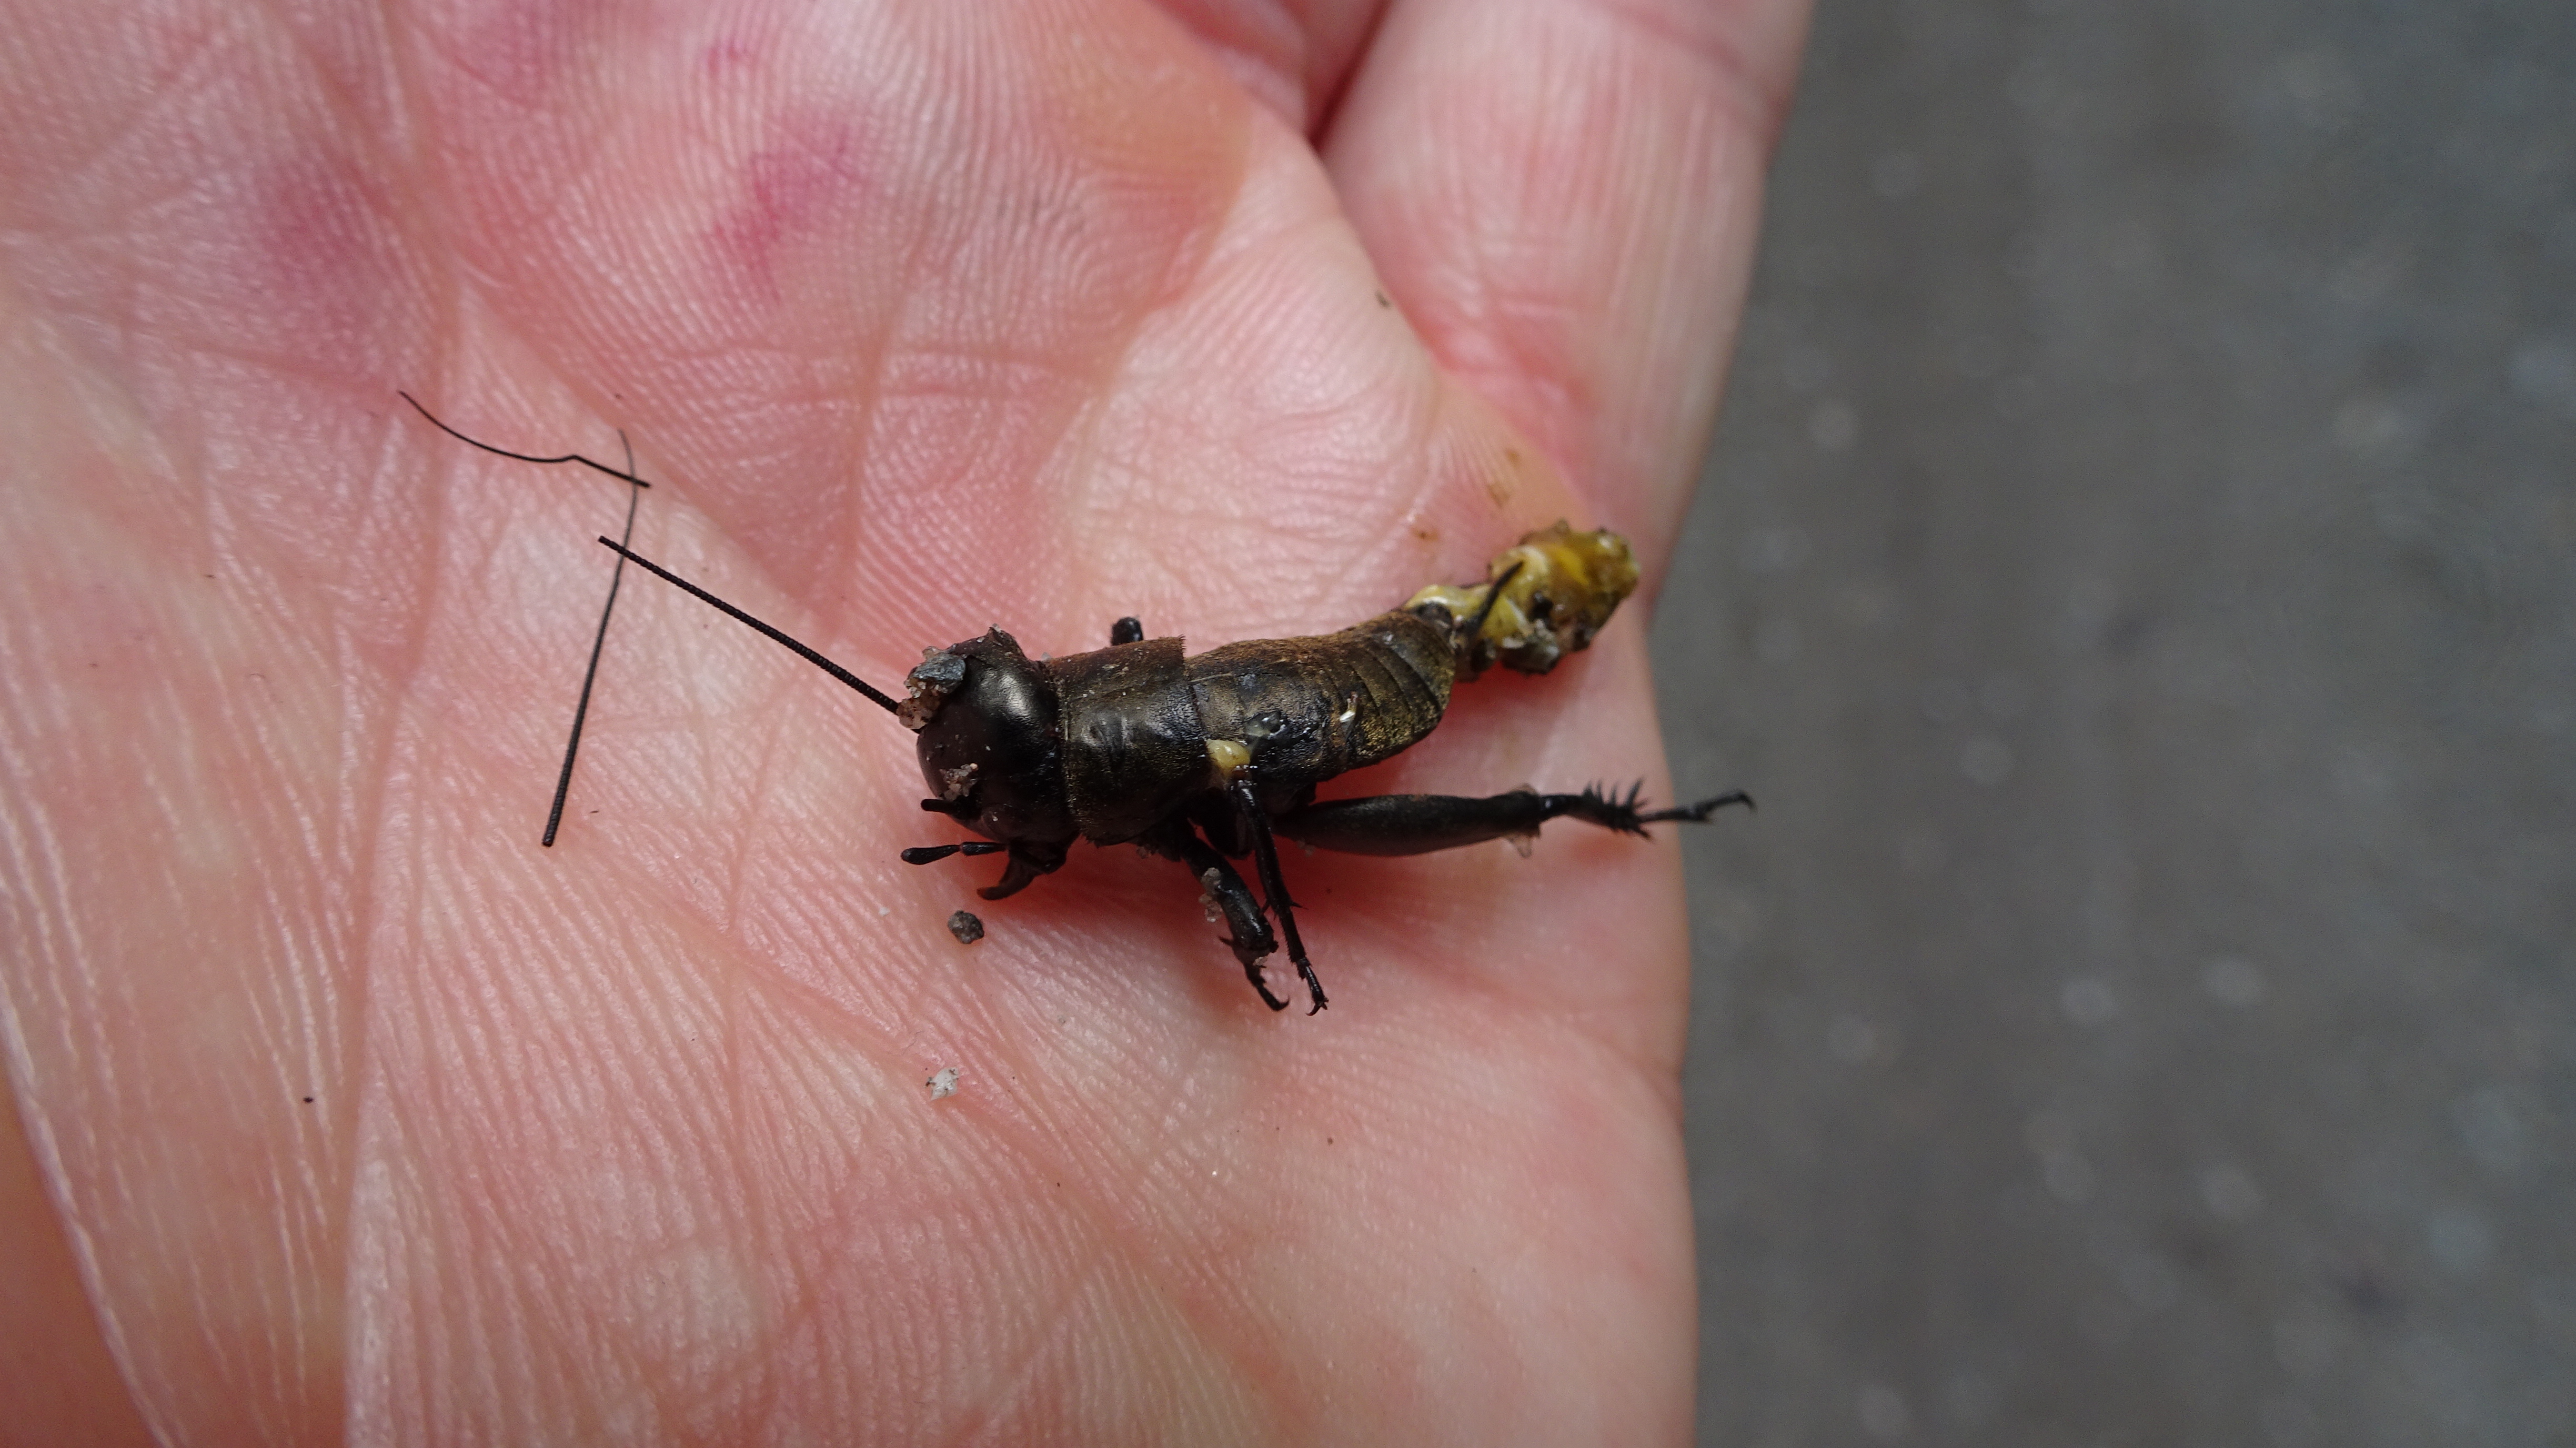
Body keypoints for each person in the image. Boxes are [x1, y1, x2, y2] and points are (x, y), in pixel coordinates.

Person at [0, 0, 1807, 1440]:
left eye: (1018, 787)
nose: (993, 801)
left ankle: (1601, 814)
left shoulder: (1173, 789)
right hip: (1215, 726)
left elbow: (1207, 828)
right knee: (1250, 819)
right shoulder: (1106, 740)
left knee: (1445, 820)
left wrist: (1234, 895)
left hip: (1311, 718)